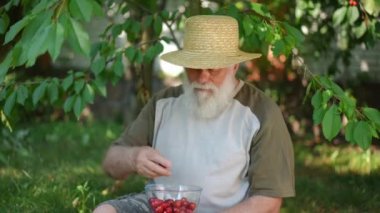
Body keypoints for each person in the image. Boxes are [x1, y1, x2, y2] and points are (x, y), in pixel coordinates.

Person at [94, 15, 295, 213]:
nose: (203, 77)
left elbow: (268, 202)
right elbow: (111, 163)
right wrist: (134, 158)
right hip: (162, 207)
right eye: (195, 67)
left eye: (213, 69)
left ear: (234, 66)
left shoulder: (261, 112)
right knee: (105, 211)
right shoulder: (163, 104)